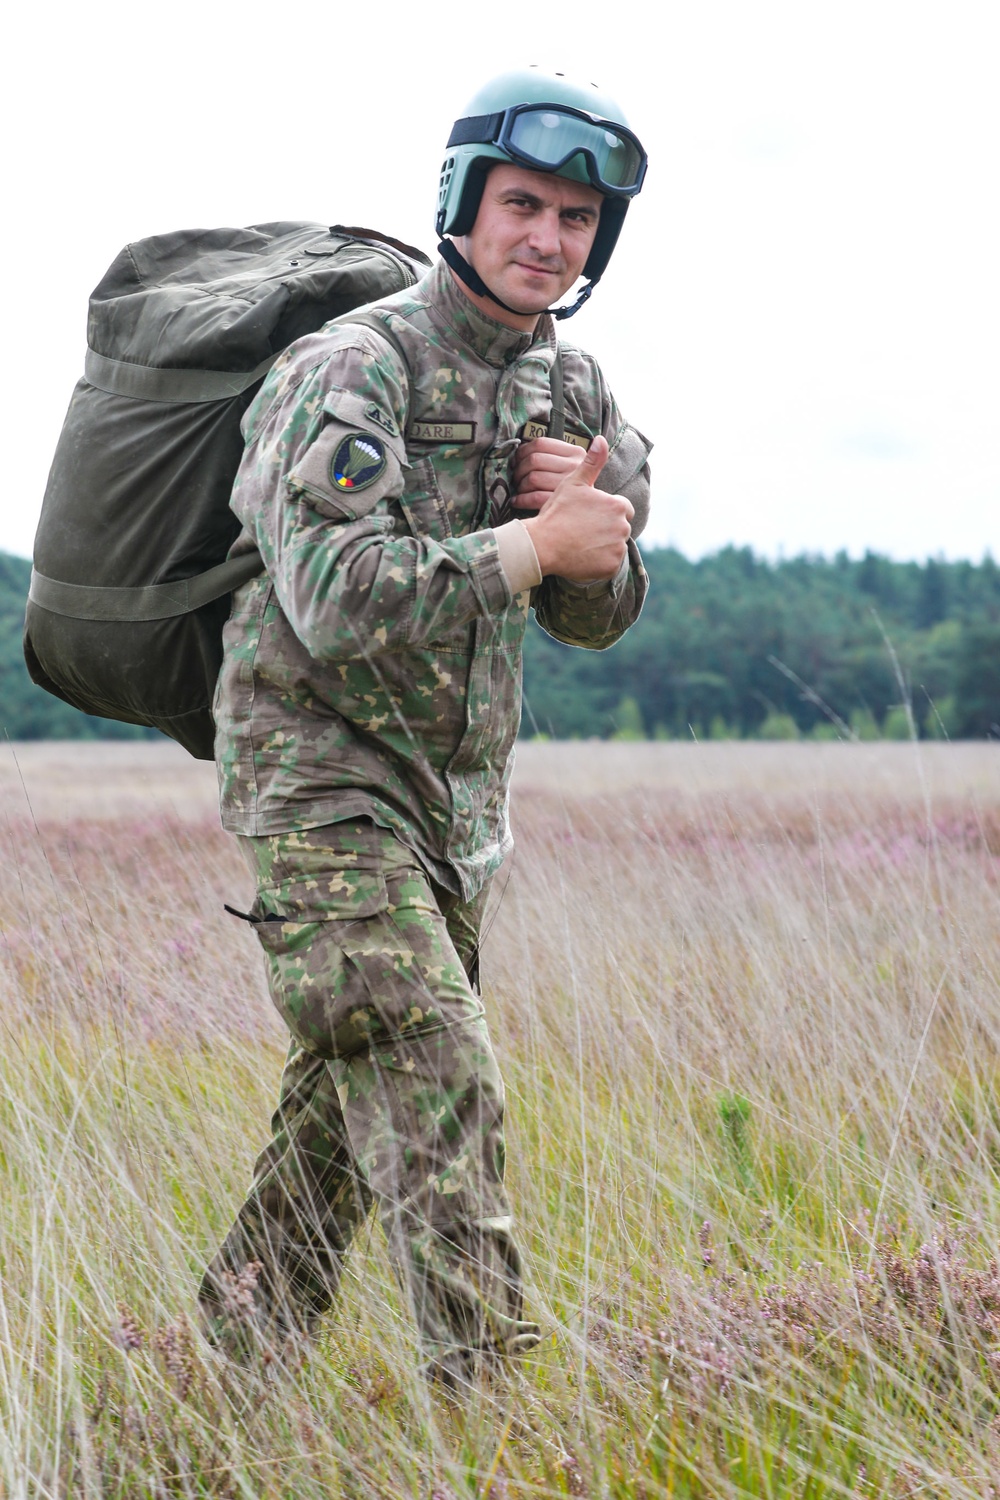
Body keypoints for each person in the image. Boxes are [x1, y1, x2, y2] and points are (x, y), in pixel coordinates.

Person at [197, 66, 652, 1391]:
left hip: (454, 811)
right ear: (465, 203)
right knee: (434, 1073)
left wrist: (588, 545)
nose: (546, 239)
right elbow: (332, 600)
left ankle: (224, 1372)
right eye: (523, 204)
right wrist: (529, 541)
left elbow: (597, 620)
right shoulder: (355, 365)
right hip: (321, 784)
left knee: (344, 1116)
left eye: (576, 220)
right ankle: (497, 1418)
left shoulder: (572, 387)